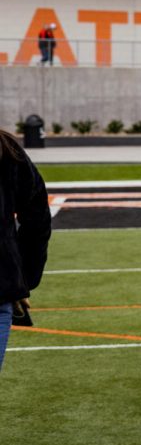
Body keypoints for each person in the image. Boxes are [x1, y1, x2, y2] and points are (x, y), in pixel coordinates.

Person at [0, 129, 51, 373]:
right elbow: (37, 214)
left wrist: (22, 277)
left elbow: (36, 213)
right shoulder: (5, 147)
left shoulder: (6, 149)